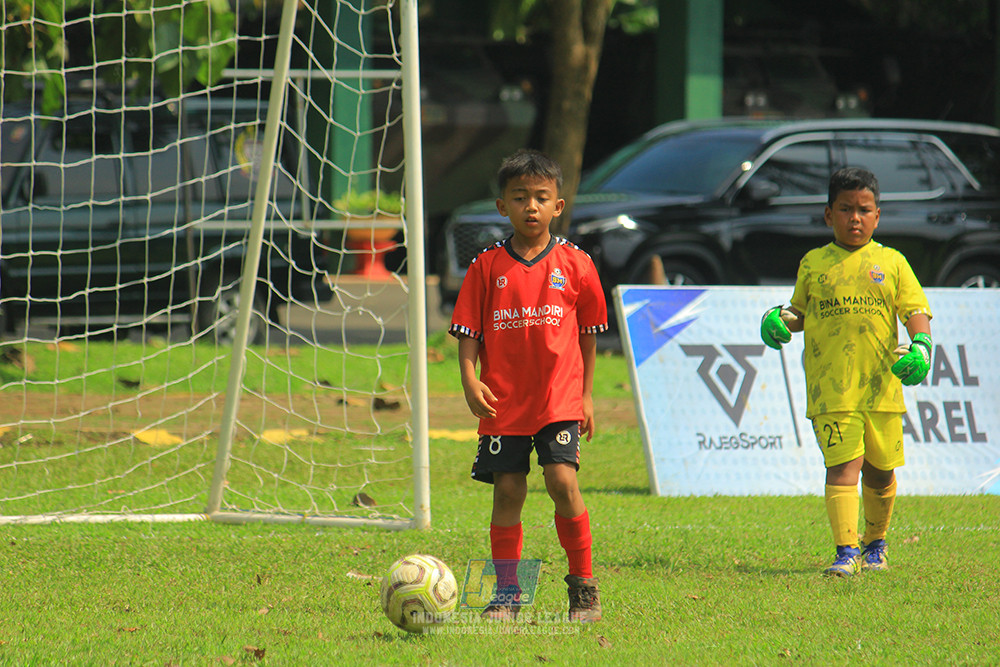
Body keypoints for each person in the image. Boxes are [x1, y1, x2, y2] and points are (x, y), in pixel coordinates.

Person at [449, 149, 608, 621]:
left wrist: (586, 395)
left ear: (558, 206)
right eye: (520, 198)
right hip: (504, 401)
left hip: (558, 397)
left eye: (541, 198)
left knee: (562, 480)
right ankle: (508, 594)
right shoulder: (485, 266)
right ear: (503, 206)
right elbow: (468, 332)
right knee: (508, 491)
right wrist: (468, 379)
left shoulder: (576, 264)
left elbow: (588, 334)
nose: (531, 207)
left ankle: (583, 586)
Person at [760, 166, 933, 577]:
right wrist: (778, 318)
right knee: (842, 466)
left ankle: (876, 543)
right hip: (830, 388)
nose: (855, 218)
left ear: (877, 215)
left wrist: (922, 345)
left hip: (881, 387)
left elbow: (915, 311)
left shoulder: (892, 263)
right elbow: (799, 312)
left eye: (864, 210)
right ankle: (845, 551)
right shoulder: (814, 263)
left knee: (879, 470)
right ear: (828, 215)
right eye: (845, 209)